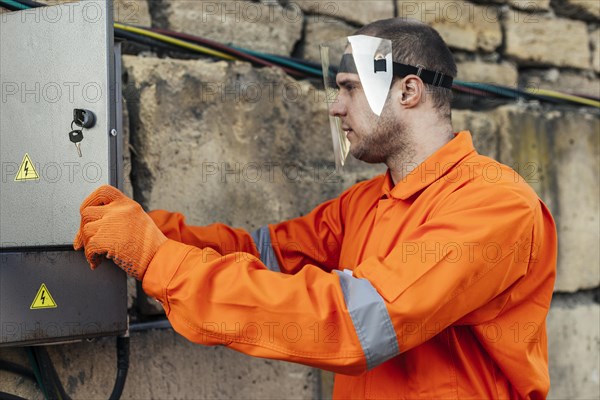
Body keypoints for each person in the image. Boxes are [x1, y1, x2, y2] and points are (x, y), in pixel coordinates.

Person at [74, 18, 557, 399]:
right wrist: (144, 230)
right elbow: (263, 254)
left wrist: (158, 262)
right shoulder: (366, 202)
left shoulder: (493, 204)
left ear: (408, 92)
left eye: (349, 88)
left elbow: (351, 324)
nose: (335, 106)